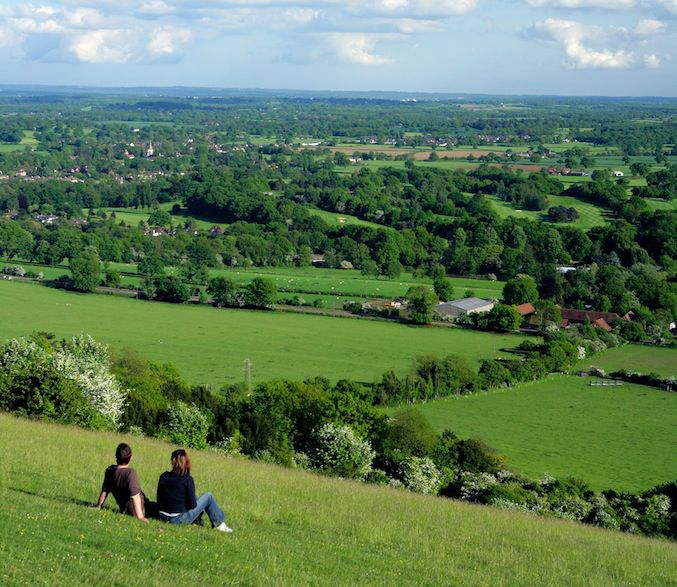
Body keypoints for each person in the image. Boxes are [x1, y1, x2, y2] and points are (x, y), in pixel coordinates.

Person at [156, 448, 232, 533]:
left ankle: (198, 522)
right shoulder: (187, 479)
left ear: (172, 462)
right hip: (178, 519)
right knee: (208, 496)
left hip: (162, 516)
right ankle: (219, 524)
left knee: (195, 497)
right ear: (186, 462)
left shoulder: (163, 476)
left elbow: (159, 500)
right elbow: (192, 505)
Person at [96, 442, 148, 522]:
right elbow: (135, 496)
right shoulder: (130, 473)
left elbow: (105, 491)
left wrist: (99, 505)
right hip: (139, 509)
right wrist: (140, 516)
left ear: (116, 456)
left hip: (125, 509)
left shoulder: (110, 470)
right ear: (130, 457)